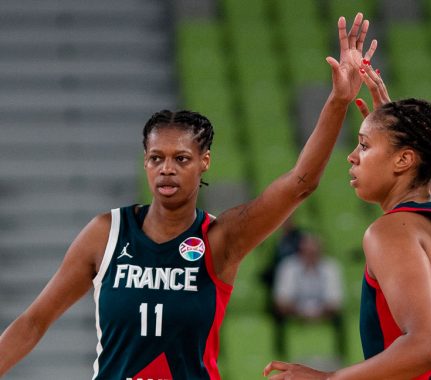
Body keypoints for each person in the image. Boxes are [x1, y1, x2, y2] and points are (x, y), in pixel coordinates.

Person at [0, 13, 378, 379]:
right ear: (145, 164)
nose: (166, 169)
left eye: (181, 159)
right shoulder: (106, 233)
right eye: (155, 158)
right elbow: (33, 322)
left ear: (204, 162)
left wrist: (338, 102)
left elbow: (301, 183)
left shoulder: (221, 239)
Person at [264, 51, 431, 378]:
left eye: (364, 145)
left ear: (403, 160)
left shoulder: (393, 231)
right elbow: (426, 184)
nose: (352, 157)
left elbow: (430, 346)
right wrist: (404, 133)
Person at [272, 233, 345, 360]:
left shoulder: (331, 267)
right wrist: (303, 312)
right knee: (276, 318)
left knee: (343, 320)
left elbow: (335, 302)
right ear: (300, 251)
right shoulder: (288, 267)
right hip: (294, 316)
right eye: (307, 251)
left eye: (314, 252)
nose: (310, 255)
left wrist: (315, 313)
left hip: (325, 316)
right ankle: (282, 356)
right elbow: (282, 302)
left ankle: (339, 359)